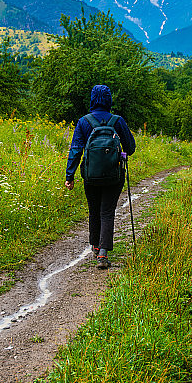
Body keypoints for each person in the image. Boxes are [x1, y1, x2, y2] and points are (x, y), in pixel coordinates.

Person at [65, 85, 136, 269]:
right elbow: (131, 148)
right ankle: (103, 254)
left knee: (94, 210)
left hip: (90, 175)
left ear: (92, 99)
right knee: (107, 211)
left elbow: (75, 150)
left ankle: (95, 246)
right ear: (109, 99)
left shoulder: (84, 122)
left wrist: (69, 175)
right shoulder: (117, 120)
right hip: (114, 175)